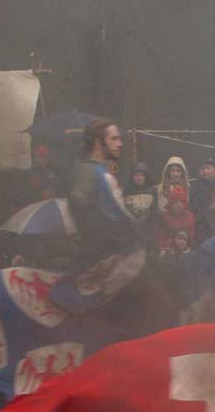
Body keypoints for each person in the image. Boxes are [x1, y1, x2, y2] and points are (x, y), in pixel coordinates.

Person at [53, 118, 148, 312]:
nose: (120, 143)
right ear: (98, 142)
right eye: (114, 139)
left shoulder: (102, 171)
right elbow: (81, 211)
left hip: (121, 248)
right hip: (105, 257)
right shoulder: (87, 171)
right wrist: (112, 243)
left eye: (120, 139)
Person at [155, 186, 196, 252]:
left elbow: (192, 236)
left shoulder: (189, 217)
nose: (178, 205)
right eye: (175, 202)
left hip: (186, 250)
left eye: (181, 202)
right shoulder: (164, 217)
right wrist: (172, 245)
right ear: (171, 203)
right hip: (169, 250)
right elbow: (160, 237)